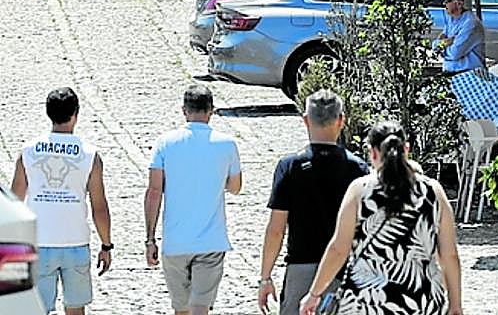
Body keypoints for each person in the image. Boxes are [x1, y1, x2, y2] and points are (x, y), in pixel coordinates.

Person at [299, 121, 462, 315]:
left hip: (368, 301)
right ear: (406, 149)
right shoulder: (433, 191)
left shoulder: (360, 190)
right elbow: (449, 255)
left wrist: (314, 293)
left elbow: (339, 249)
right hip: (421, 301)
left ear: (373, 153)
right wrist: (455, 304)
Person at [258, 90, 368, 315]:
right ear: (341, 121)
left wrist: (265, 277)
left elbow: (276, 229)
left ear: (306, 120)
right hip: (344, 270)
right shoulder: (358, 169)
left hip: (300, 268)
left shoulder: (290, 166)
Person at [11, 87, 112, 315]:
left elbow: (14, 202)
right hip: (75, 242)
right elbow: (99, 207)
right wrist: (106, 244)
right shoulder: (90, 155)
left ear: (48, 113)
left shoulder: (28, 152)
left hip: (39, 243)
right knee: (76, 308)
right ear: (76, 113)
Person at [144, 84, 242, 315]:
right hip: (211, 241)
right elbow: (235, 187)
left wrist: (150, 239)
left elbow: (154, 192)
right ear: (211, 110)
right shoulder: (227, 144)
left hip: (176, 242)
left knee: (181, 309)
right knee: (200, 308)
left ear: (184, 110)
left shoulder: (165, 143)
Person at [437, 0, 485, 73]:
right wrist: (444, 43)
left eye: (448, 0)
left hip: (468, 73)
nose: (444, 3)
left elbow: (455, 53)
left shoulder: (471, 23)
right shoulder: (451, 20)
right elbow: (435, 46)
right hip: (449, 72)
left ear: (459, 3)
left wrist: (442, 46)